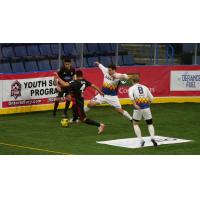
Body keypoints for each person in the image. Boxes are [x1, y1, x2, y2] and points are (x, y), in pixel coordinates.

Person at [54, 70, 105, 134]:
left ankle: (100, 125)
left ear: (76, 75)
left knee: (83, 119)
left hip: (78, 102)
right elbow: (93, 85)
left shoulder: (74, 82)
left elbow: (64, 84)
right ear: (82, 75)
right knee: (73, 108)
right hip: (80, 99)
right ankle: (75, 119)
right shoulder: (85, 81)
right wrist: (100, 91)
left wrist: (58, 77)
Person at [128, 75, 157, 147]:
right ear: (139, 80)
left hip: (138, 108)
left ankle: (141, 140)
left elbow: (131, 97)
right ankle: (152, 137)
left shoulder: (131, 88)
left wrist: (134, 104)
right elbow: (152, 98)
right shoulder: (145, 87)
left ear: (132, 81)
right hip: (146, 107)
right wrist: (148, 104)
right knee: (150, 123)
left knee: (135, 124)